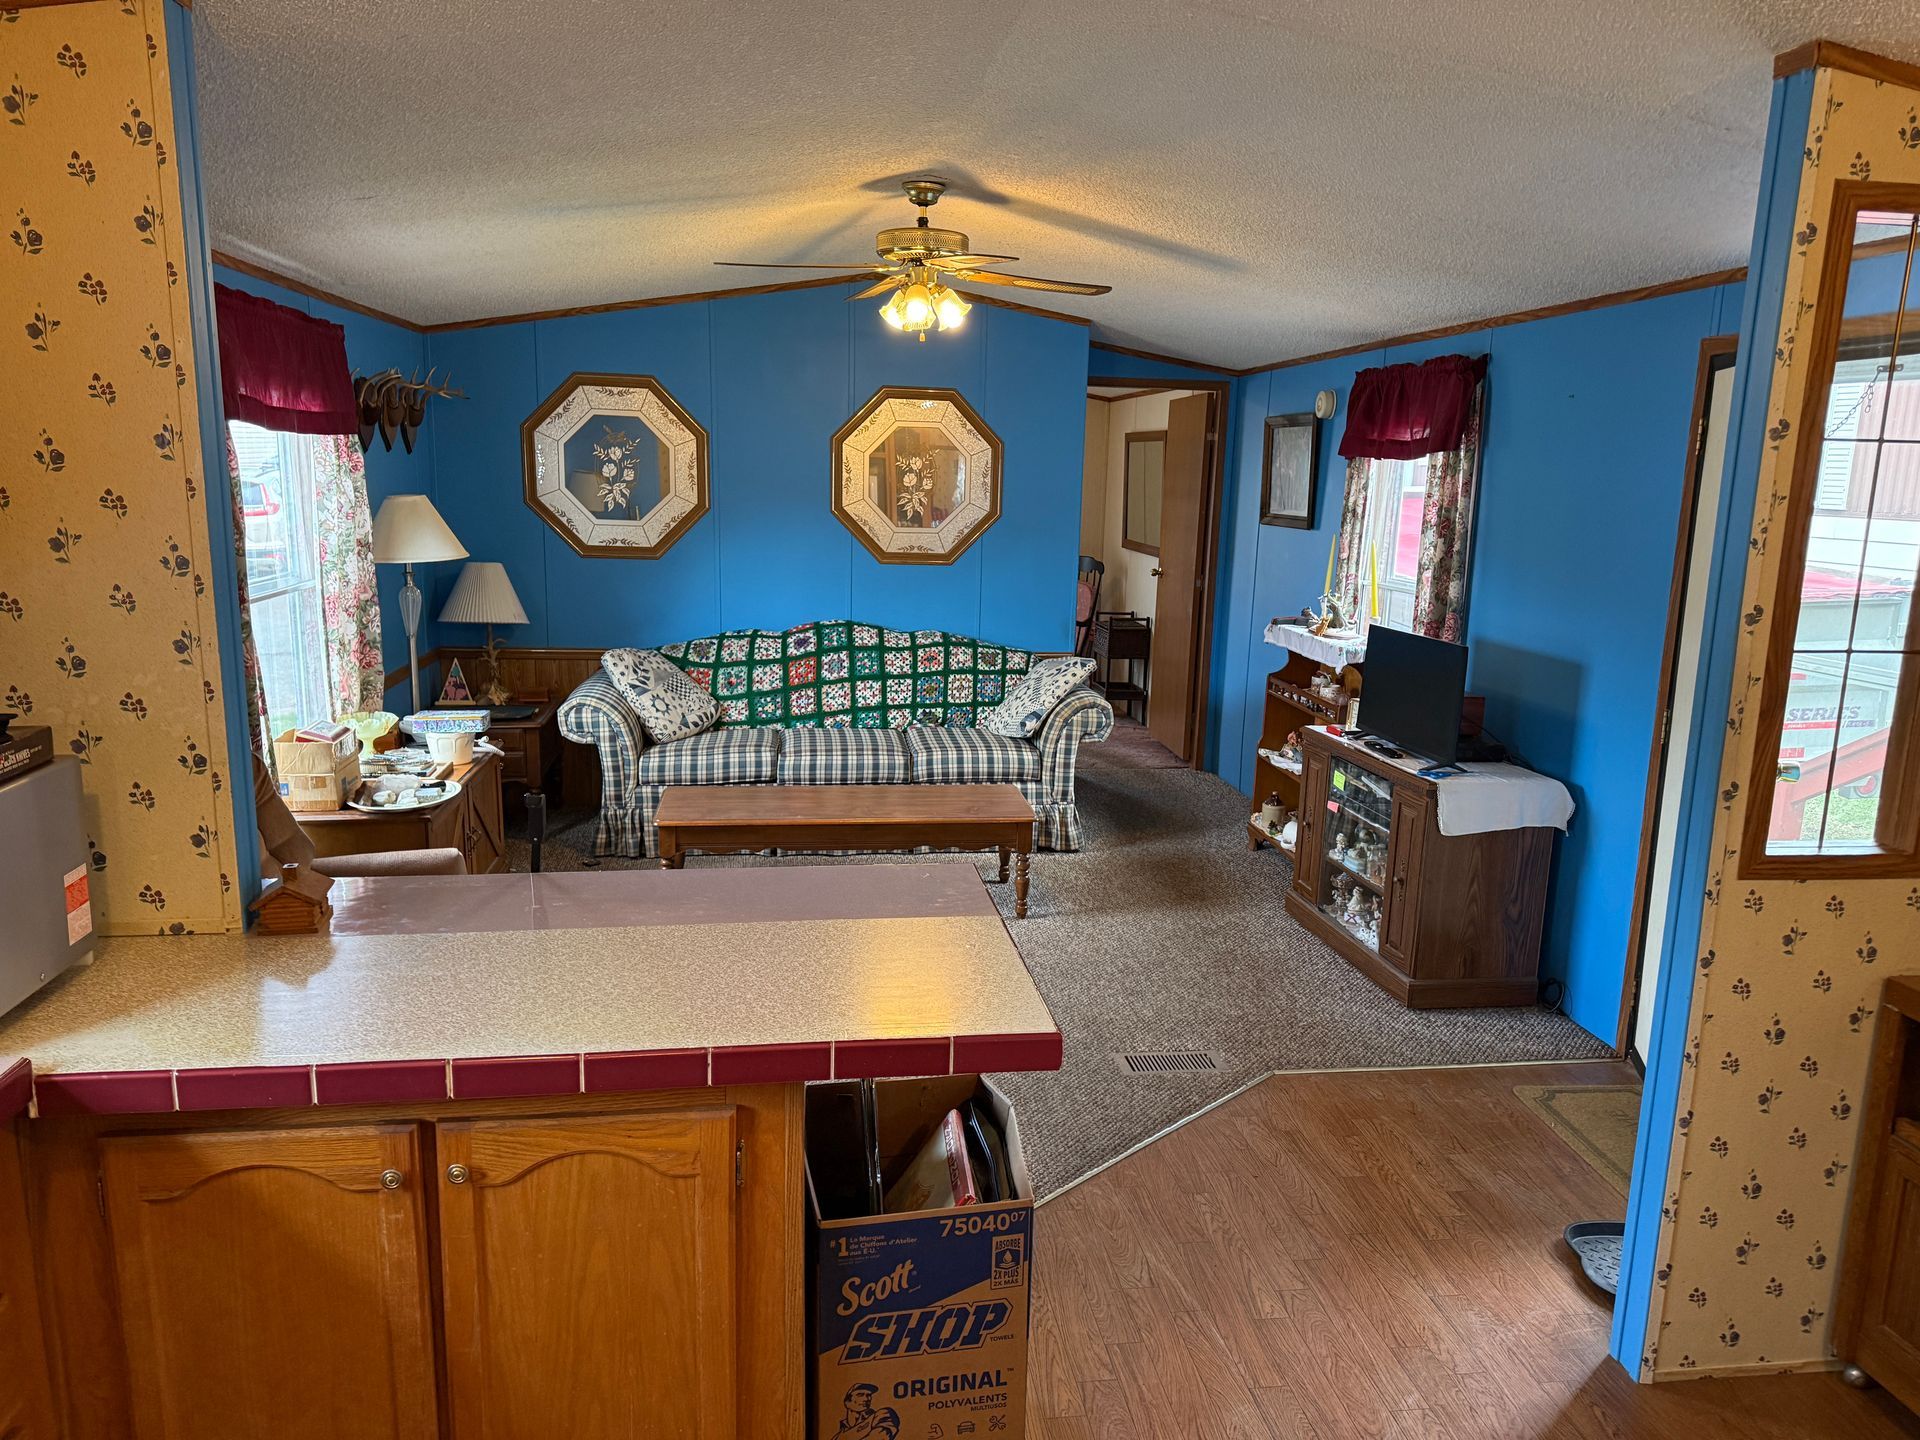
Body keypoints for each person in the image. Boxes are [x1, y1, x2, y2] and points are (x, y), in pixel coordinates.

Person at [832, 1382, 899, 1440]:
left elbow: (881, 1436)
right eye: (860, 1395)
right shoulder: (838, 1436)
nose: (866, 1399)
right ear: (847, 1402)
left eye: (868, 1395)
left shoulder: (881, 1415)